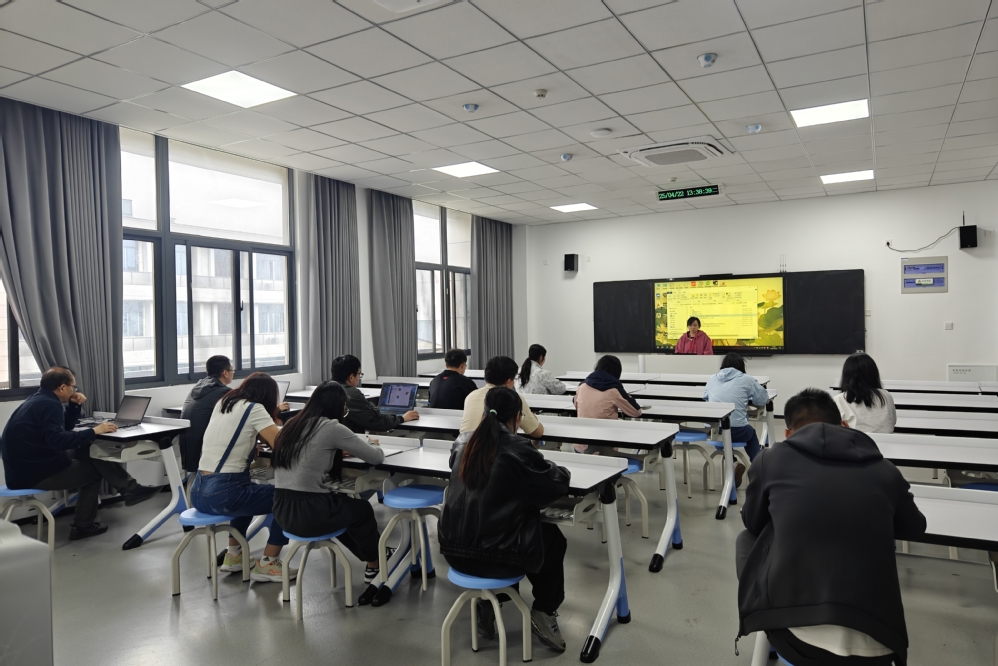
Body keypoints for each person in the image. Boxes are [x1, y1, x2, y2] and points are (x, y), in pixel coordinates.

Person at [736, 388, 926, 666]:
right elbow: (915, 528)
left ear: (788, 433)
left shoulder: (770, 460)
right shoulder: (885, 470)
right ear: (844, 425)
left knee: (751, 537)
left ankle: (765, 616)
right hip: (880, 642)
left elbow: (752, 522)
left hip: (798, 641)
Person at [440, 386, 571, 652]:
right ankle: (545, 612)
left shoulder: (462, 442)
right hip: (497, 559)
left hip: (453, 552)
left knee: (497, 529)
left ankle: (489, 603)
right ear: (518, 417)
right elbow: (555, 484)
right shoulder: (518, 447)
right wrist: (561, 468)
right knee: (552, 539)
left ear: (485, 412)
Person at [0, 367, 160, 540]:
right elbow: (58, 441)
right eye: (72, 387)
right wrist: (94, 431)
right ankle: (83, 526)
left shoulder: (37, 400)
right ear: (62, 387)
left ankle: (131, 489)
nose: (74, 391)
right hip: (33, 473)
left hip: (25, 468)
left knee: (87, 449)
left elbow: (64, 429)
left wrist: (74, 406)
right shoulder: (50, 405)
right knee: (92, 474)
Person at [272, 381, 388, 606]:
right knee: (362, 509)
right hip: (311, 512)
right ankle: (374, 564)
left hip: (282, 511)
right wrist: (374, 444)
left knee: (344, 510)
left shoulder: (292, 424)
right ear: (337, 406)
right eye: (344, 405)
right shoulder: (331, 427)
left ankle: (370, 553)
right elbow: (376, 457)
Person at [190, 372, 292, 583]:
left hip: (198, 490)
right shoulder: (255, 408)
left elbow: (229, 435)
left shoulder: (224, 403)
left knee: (248, 488)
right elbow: (282, 445)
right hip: (223, 493)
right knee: (288, 497)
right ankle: (269, 562)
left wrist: (251, 445)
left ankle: (234, 555)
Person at [704, 353, 769, 486]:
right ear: (741, 366)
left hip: (716, 430)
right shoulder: (747, 379)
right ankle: (759, 467)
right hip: (739, 431)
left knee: (717, 435)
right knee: (751, 433)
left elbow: (706, 398)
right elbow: (763, 399)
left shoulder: (712, 378)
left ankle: (734, 463)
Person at [459, 356, 544, 439]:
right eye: (513, 379)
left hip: (465, 446)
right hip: (495, 448)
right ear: (508, 381)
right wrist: (533, 419)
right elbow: (538, 432)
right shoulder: (514, 398)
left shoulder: (471, 396)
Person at [331, 355, 418, 433]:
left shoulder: (326, 389)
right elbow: (376, 421)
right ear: (351, 377)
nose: (359, 378)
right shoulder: (351, 394)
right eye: (359, 374)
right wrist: (402, 418)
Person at [573, 355, 642, 453]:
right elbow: (636, 412)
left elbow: (576, 405)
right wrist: (627, 397)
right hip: (604, 448)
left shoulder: (582, 386)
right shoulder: (614, 389)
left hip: (580, 445)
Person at [180, 355, 234, 473]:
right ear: (225, 373)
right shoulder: (224, 392)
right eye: (232, 370)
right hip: (205, 452)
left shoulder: (197, 387)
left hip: (189, 450)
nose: (233, 373)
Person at [833, 353, 896, 433]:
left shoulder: (839, 399)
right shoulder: (886, 395)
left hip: (855, 440)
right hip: (886, 441)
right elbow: (893, 421)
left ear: (846, 375)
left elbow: (834, 430)